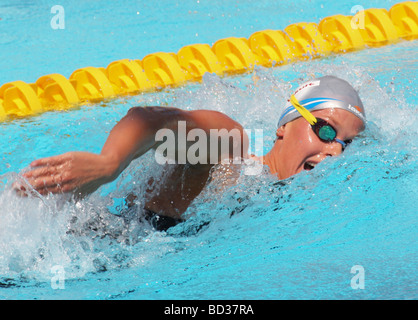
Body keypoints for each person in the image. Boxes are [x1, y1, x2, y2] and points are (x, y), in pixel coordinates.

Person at [14, 75, 366, 231]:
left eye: (344, 144)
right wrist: (109, 164)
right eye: (325, 130)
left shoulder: (273, 202)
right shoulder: (230, 153)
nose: (334, 149)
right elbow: (153, 120)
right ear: (284, 127)